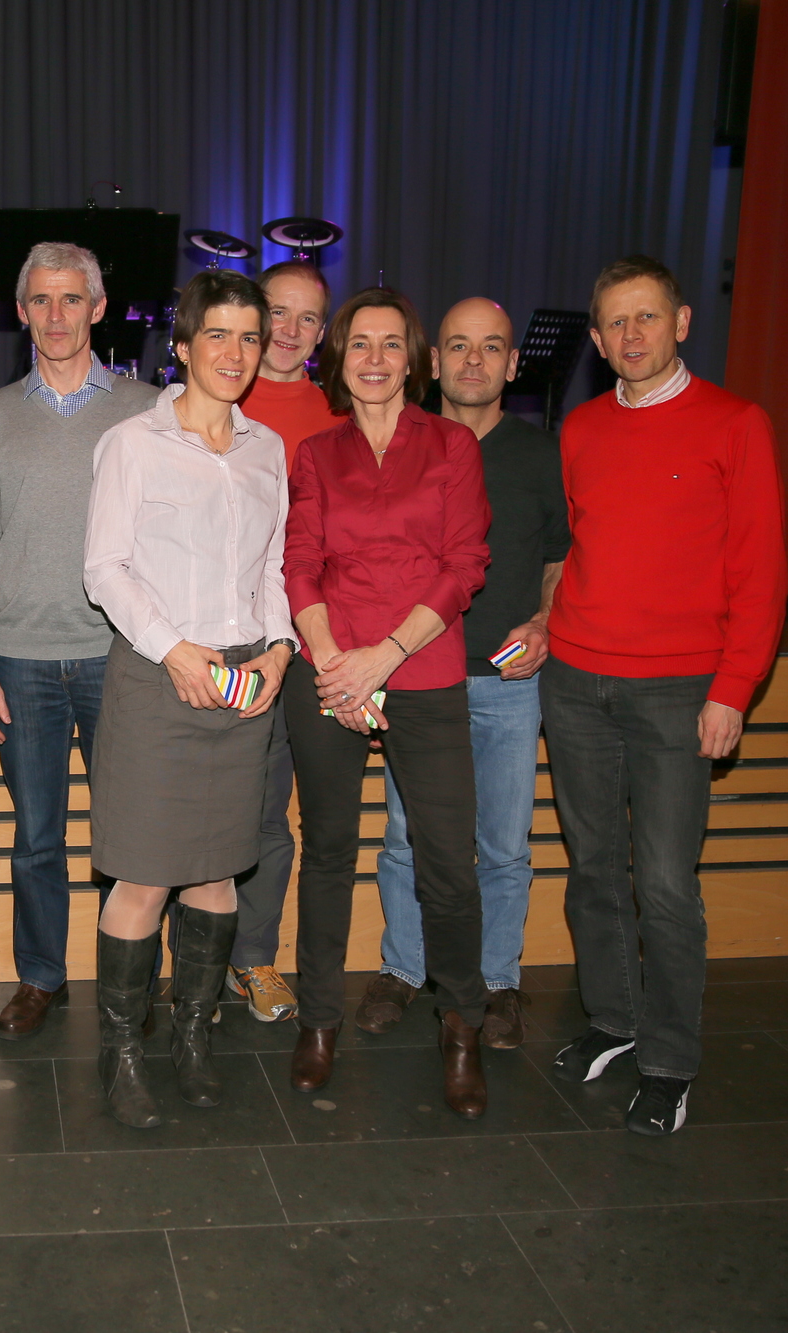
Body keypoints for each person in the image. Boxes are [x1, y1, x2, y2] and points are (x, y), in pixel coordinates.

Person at [544, 255, 786, 1136]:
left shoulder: (736, 424)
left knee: (666, 883)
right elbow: (579, 548)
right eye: (615, 322)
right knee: (592, 868)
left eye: (646, 316)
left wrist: (734, 688)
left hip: (680, 692)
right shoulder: (581, 429)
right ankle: (614, 1020)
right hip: (576, 682)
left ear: (681, 322)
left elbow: (761, 570)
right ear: (597, 340)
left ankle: (670, 1061)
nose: (631, 334)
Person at [83, 270, 295, 1129]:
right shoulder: (132, 443)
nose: (235, 352)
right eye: (217, 335)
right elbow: (104, 568)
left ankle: (194, 1036)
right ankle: (122, 1049)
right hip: (158, 677)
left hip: (242, 684)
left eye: (250, 337)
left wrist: (280, 646)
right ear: (181, 345)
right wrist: (172, 648)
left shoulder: (267, 449)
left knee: (216, 873)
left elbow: (274, 566)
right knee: (142, 874)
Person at [282, 286, 492, 1117]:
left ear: (414, 360)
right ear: (339, 359)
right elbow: (300, 563)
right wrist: (335, 662)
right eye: (359, 343)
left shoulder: (450, 444)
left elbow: (465, 563)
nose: (374, 358)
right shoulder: (316, 453)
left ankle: (462, 1025)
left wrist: (384, 655)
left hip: (423, 667)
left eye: (391, 343)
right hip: (330, 669)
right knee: (328, 852)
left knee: (447, 860)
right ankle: (319, 1021)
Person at [0, 243, 159, 1041]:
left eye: (72, 298)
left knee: (130, 835)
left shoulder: (149, 410)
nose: (57, 314)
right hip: (23, 661)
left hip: (122, 657)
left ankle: (127, 978)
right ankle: (41, 974)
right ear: (21, 311)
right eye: (40, 299)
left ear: (99, 308)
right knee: (36, 836)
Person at [363, 298, 570, 1049]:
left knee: (504, 844)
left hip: (508, 684)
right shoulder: (402, 444)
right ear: (434, 361)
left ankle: (497, 981)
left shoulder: (542, 454)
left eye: (489, 347)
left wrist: (543, 621)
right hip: (419, 675)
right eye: (457, 345)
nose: (473, 361)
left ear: (513, 364)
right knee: (405, 836)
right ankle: (404, 967)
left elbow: (560, 554)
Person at [224, 260, 342, 1024]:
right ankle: (198, 959)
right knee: (219, 808)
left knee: (275, 817)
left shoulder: (340, 413)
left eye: (307, 317)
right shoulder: (217, 400)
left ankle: (255, 958)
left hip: (311, 643)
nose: (290, 330)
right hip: (233, 641)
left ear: (322, 332)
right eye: (278, 311)